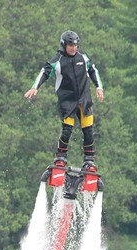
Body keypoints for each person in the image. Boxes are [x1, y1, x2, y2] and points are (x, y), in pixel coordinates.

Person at [24, 30, 104, 171]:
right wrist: (35, 87)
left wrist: (99, 87)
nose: (74, 48)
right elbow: (44, 72)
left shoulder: (83, 57)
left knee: (88, 131)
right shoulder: (58, 60)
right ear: (64, 45)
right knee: (67, 130)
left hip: (84, 99)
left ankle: (89, 161)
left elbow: (93, 70)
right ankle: (61, 157)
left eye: (76, 45)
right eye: (71, 45)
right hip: (67, 101)